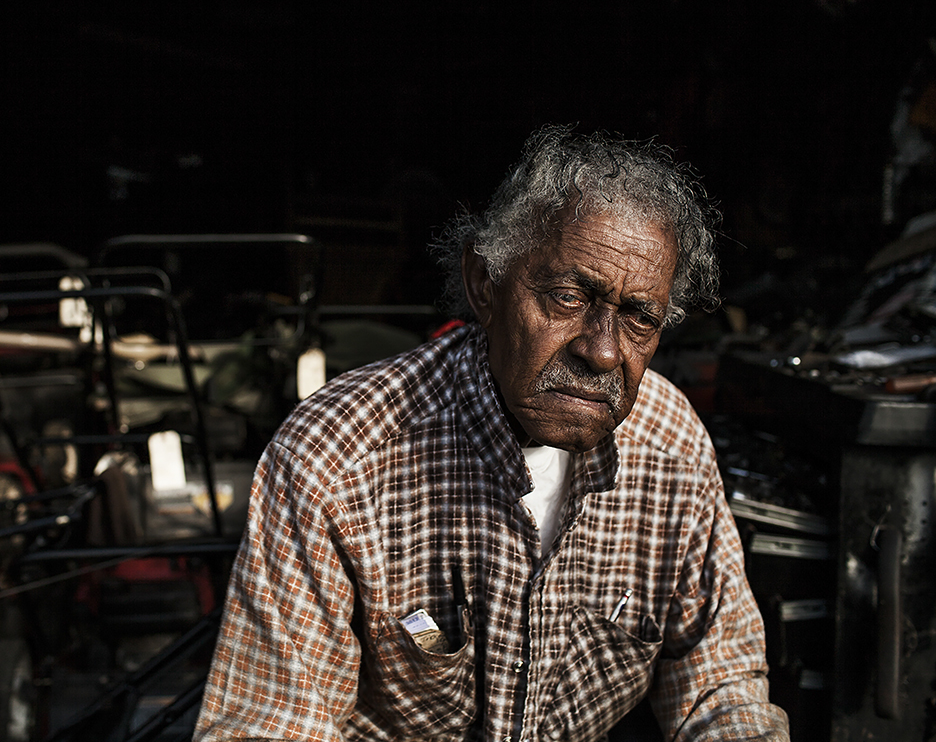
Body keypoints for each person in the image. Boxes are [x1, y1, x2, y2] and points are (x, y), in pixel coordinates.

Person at [194, 126, 790, 741]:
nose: (605, 353)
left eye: (640, 318)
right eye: (566, 296)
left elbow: (719, 678)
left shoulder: (670, 445)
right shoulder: (336, 460)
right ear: (485, 284)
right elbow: (269, 725)